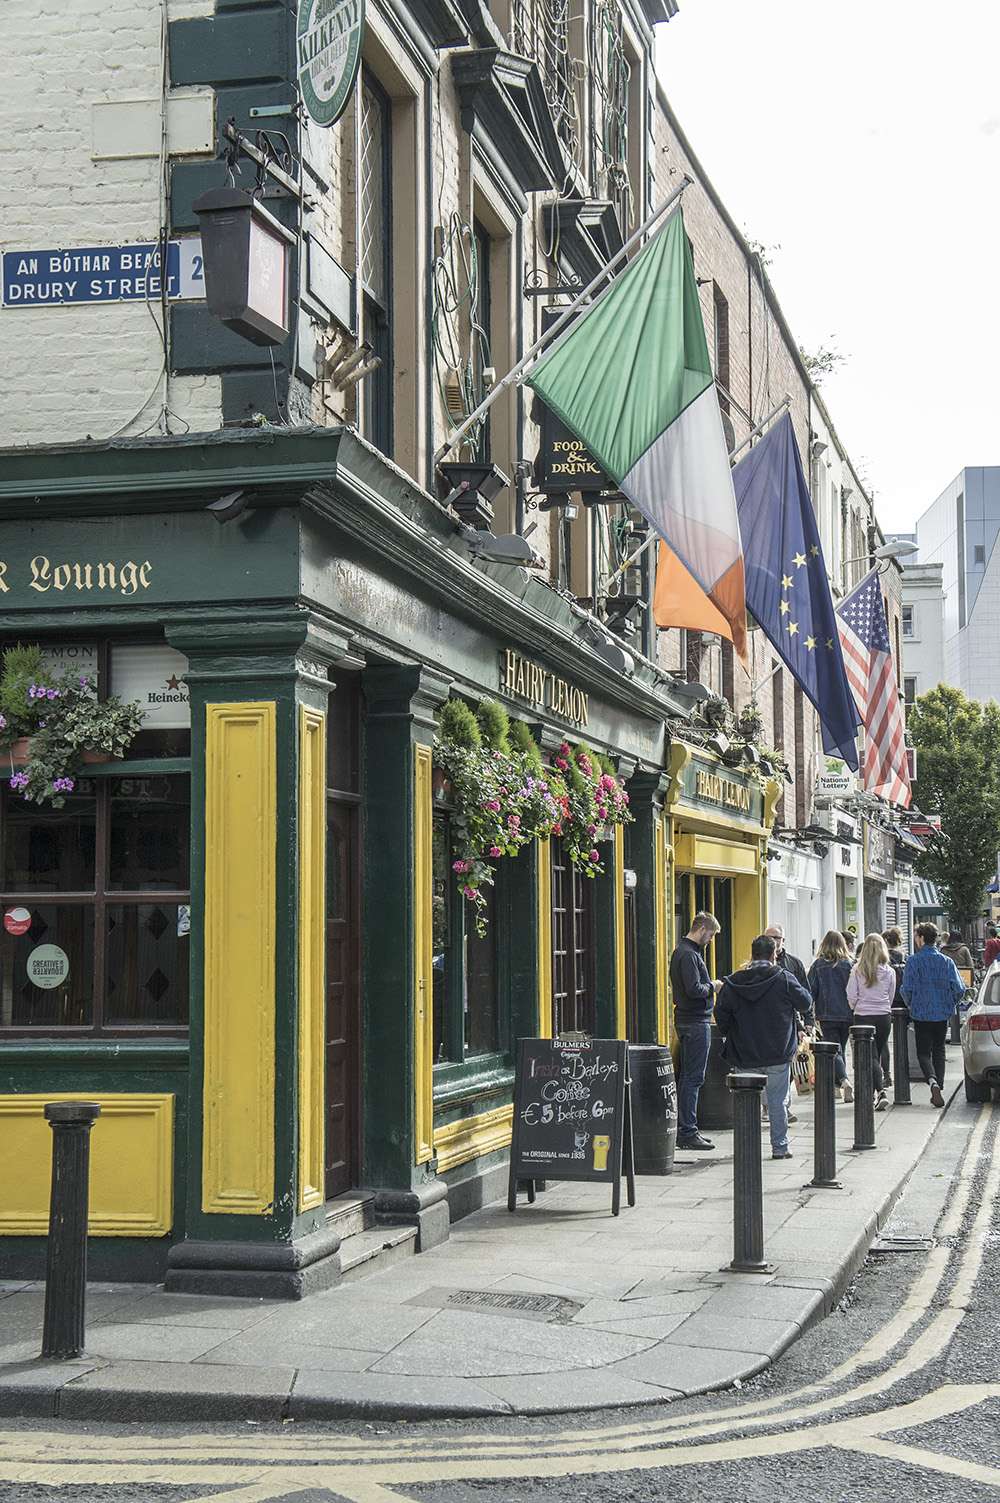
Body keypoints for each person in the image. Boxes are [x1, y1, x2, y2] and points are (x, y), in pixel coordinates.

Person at [715, 934, 814, 1160]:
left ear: (752, 954)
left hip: (744, 1052)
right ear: (774, 954)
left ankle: (747, 1148)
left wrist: (732, 1032)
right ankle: (780, 1147)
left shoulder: (733, 982)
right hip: (777, 1052)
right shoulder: (784, 979)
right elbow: (806, 1002)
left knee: (746, 1102)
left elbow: (721, 1015)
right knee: (777, 1101)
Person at [669, 911, 722, 1151]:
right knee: (693, 1077)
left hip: (687, 1019)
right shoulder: (688, 955)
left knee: (689, 1077)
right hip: (694, 1021)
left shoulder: (683, 952)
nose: (710, 940)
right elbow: (694, 989)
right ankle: (687, 1131)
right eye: (710, 935)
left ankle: (688, 1128)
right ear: (701, 929)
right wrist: (714, 986)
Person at [900, 922, 965, 1108]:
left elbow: (906, 989)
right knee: (939, 1050)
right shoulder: (946, 961)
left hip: (921, 1014)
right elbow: (959, 989)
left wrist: (911, 1004)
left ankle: (932, 1081)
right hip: (942, 1014)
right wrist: (949, 1003)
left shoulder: (913, 961)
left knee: (923, 1053)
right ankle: (939, 1085)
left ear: (921, 938)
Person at [763, 924, 813, 1123]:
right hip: (764, 1023)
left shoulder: (793, 964)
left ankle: (780, 1106)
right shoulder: (756, 963)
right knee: (771, 1067)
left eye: (777, 938)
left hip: (789, 1023)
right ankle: (773, 1107)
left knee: (787, 1067)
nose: (774, 941)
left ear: (783, 940)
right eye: (770, 938)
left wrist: (808, 1022)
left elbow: (805, 994)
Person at [847, 933, 896, 1111]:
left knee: (871, 1056)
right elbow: (891, 995)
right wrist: (883, 1007)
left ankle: (880, 1091)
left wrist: (856, 1007)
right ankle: (875, 1091)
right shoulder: (890, 971)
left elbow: (851, 995)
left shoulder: (857, 969)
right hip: (883, 1017)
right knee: (876, 1053)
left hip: (863, 1016)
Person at [808, 931, 855, 1100]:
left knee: (834, 1051)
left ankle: (843, 1081)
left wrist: (808, 1015)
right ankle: (837, 1088)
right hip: (847, 1014)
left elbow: (810, 992)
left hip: (827, 1015)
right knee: (841, 1049)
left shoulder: (818, 965)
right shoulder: (850, 964)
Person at [881, 926, 908, 1085]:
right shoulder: (905, 957)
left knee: (882, 1041)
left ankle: (886, 1074)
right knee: (901, 1040)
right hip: (902, 1002)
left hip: (885, 1002)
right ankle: (902, 1074)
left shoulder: (882, 959)